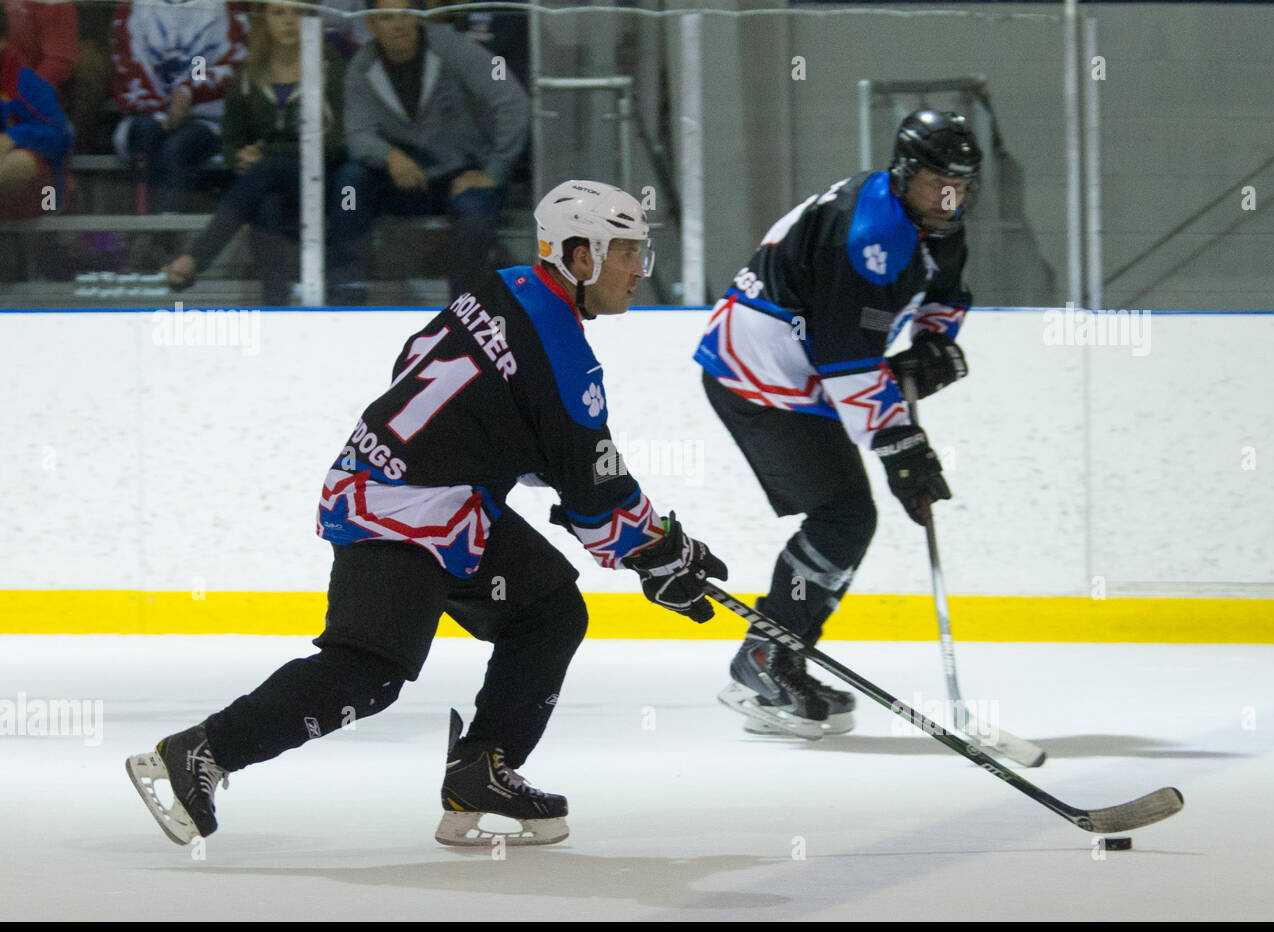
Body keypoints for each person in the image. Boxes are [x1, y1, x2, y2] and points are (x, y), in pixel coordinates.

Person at [128, 180, 727, 848]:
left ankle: (482, 768)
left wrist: (538, 472)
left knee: (548, 610)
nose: (638, 271)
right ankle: (200, 754)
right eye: (627, 254)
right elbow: (597, 494)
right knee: (368, 672)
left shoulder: (502, 289)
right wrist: (666, 551)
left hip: (435, 499)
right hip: (397, 508)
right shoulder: (564, 353)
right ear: (581, 256)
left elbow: (421, 363)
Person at [695, 110, 981, 740]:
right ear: (905, 174)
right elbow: (847, 361)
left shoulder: (937, 220)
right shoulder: (865, 232)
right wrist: (903, 448)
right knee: (845, 514)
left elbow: (946, 297)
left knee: (848, 514)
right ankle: (769, 658)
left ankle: (774, 655)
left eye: (962, 184)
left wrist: (934, 341)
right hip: (759, 370)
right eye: (939, 182)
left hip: (806, 368)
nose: (951, 196)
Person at [326, 0, 528, 304]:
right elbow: (358, 134)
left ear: (419, 16)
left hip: (465, 174)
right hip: (405, 178)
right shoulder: (361, 67)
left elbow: (512, 101)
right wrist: (389, 156)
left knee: (474, 213)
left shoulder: (453, 47)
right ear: (371, 24)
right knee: (350, 183)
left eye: (406, 14)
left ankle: (462, 312)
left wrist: (495, 170)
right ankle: (346, 297)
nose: (398, 24)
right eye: (387, 17)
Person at [162, 3, 347, 304]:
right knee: (265, 202)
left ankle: (196, 256)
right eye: (278, 13)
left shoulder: (331, 67)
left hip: (324, 180)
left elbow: (338, 144)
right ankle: (276, 305)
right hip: (265, 183)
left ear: (311, 21)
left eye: (297, 13)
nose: (288, 21)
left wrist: (267, 154)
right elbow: (231, 139)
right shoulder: (248, 73)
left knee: (266, 171)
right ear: (264, 21)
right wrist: (240, 156)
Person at [109, 0, 247, 213]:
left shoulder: (223, 5)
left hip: (206, 119)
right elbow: (129, 65)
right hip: (148, 113)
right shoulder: (132, 5)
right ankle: (141, 227)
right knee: (144, 133)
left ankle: (168, 233)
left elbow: (225, 62)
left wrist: (190, 88)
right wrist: (158, 108)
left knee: (176, 148)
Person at [0, 12, 72, 220]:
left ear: (3, 41)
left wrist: (13, 138)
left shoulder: (23, 81)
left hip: (42, 196)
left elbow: (60, 135)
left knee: (18, 162)